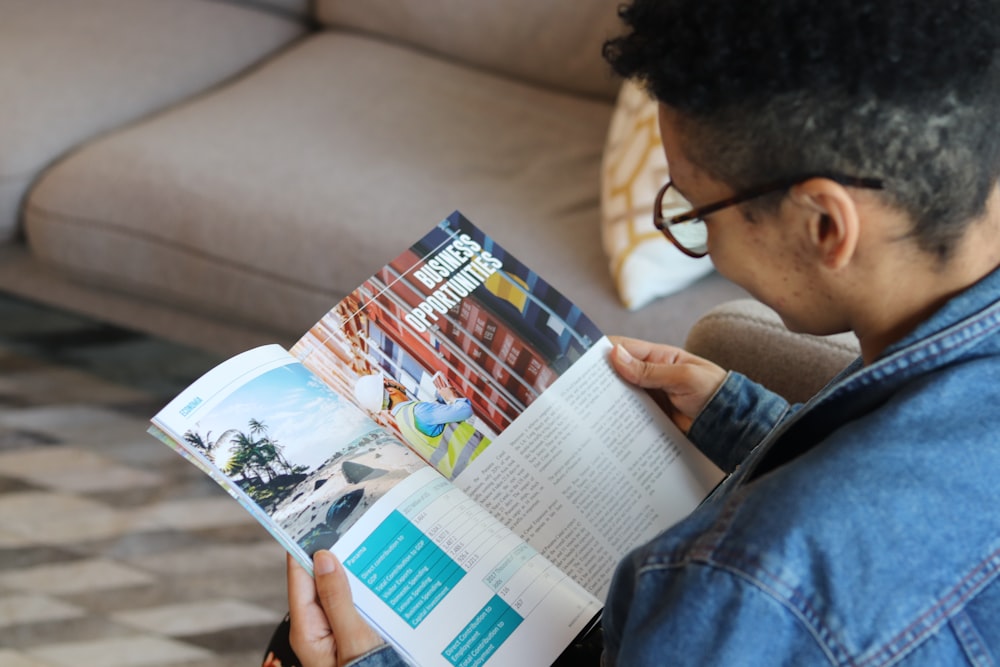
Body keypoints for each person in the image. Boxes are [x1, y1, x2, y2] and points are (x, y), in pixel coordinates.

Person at [284, 0, 1000, 664]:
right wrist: (752, 424)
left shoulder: (738, 588)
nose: (705, 241)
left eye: (694, 210)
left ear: (824, 225)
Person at [354, 372, 489, 479]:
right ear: (390, 390)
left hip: (466, 476)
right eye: (389, 380)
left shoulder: (403, 423)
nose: (395, 381)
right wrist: (452, 397)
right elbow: (465, 411)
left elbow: (439, 437)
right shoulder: (418, 410)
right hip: (484, 462)